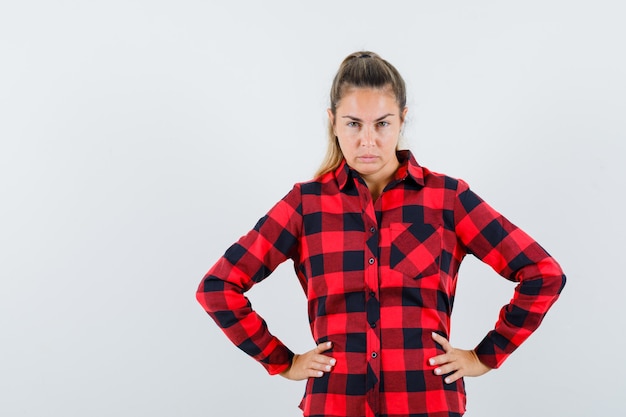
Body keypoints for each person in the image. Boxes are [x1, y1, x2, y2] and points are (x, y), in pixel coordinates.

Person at [196, 51, 565, 417]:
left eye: (382, 124)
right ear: (333, 122)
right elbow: (218, 288)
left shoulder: (447, 199)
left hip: (426, 404)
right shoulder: (305, 205)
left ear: (402, 120)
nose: (368, 141)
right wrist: (284, 361)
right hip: (336, 405)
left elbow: (541, 273)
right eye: (354, 124)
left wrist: (485, 357)